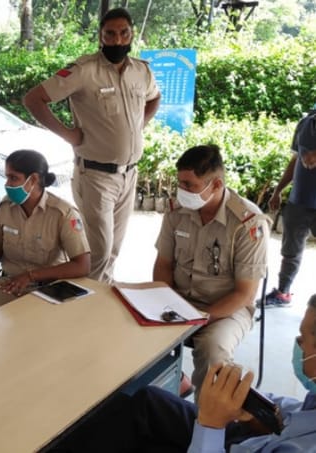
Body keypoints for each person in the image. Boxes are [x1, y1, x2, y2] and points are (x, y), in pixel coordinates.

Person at [59, 293, 316, 452]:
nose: (298, 345)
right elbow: (291, 416)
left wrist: (212, 425)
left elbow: (244, 292)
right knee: (147, 401)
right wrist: (253, 414)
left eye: (303, 339)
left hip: (226, 442)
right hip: (251, 440)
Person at [22, 7, 161, 283]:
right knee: (98, 252)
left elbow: (154, 98)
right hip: (96, 177)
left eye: (124, 33)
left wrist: (138, 126)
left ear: (132, 34)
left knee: (114, 251)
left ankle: (101, 298)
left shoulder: (141, 71)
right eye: (110, 34)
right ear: (100, 36)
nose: (117, 40)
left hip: (129, 174)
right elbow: (33, 99)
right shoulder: (84, 71)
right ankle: (84, 303)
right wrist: (68, 134)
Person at [153, 144, 269, 399]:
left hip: (227, 309)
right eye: (180, 183)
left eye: (189, 185)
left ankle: (206, 418)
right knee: (136, 329)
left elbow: (244, 294)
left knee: (213, 351)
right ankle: (173, 385)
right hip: (179, 302)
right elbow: (163, 265)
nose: (182, 191)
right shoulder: (176, 212)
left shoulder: (248, 223)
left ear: (216, 185)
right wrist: (164, 302)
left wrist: (200, 318)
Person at [0, 149, 91, 311]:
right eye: (7, 177)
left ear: (33, 179)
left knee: (47, 322)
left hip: (50, 287)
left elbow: (82, 266)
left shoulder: (62, 213)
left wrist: (31, 276)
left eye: (13, 178)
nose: (7, 184)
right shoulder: (5, 208)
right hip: (11, 285)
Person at [260, 110, 316, 307]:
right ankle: (283, 293)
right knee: (290, 252)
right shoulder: (305, 123)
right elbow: (295, 160)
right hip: (298, 202)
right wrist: (278, 190)